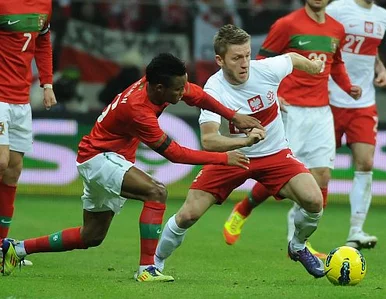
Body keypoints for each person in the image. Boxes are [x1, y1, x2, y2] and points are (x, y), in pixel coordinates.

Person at [0, 53, 265, 281]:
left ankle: (17, 248)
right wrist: (224, 157)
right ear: (160, 88)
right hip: (99, 157)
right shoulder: (138, 109)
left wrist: (234, 116)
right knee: (156, 192)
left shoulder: (161, 87)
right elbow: (174, 153)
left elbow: (198, 97)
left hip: (105, 158)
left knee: (91, 236)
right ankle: (147, 268)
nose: (183, 92)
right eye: (177, 89)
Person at [155, 25, 327, 279]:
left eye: (247, 54)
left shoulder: (265, 69)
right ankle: (155, 262)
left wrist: (313, 67)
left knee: (314, 201)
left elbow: (291, 59)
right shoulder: (213, 91)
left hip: (275, 154)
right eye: (236, 57)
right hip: (231, 158)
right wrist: (244, 142)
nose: (245, 62)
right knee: (188, 215)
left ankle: (298, 246)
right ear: (219, 60)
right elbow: (210, 140)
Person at [223, 0, 362, 258]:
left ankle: (298, 243)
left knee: (321, 176)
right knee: (280, 171)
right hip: (290, 110)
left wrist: (347, 87)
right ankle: (243, 209)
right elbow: (262, 63)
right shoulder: (287, 25)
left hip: (321, 111)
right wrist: (273, 93)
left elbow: (337, 63)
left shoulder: (337, 29)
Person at [0, 0, 57, 266]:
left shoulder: (44, 4)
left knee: (13, 169)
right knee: (0, 162)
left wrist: (47, 83)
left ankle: (1, 246)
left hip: (21, 99)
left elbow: (43, 42)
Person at [326, 0, 386, 249]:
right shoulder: (337, 8)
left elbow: (370, 51)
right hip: (329, 99)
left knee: (366, 162)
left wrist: (380, 66)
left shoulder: (382, 15)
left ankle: (356, 230)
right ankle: (296, 236)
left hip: (363, 102)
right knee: (319, 170)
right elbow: (318, 38)